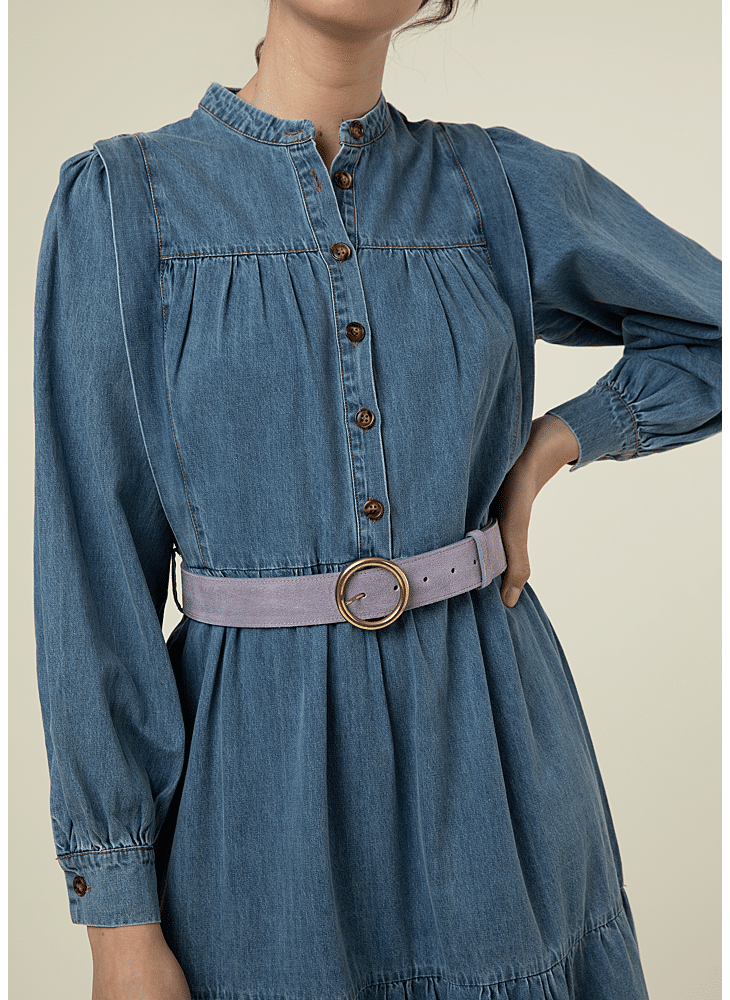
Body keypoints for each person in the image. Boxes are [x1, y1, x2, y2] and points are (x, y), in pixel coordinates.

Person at [32, 0, 721, 998]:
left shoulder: (495, 185)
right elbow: (90, 579)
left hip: (497, 765)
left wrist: (555, 444)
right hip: (256, 804)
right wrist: (118, 923)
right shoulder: (120, 205)